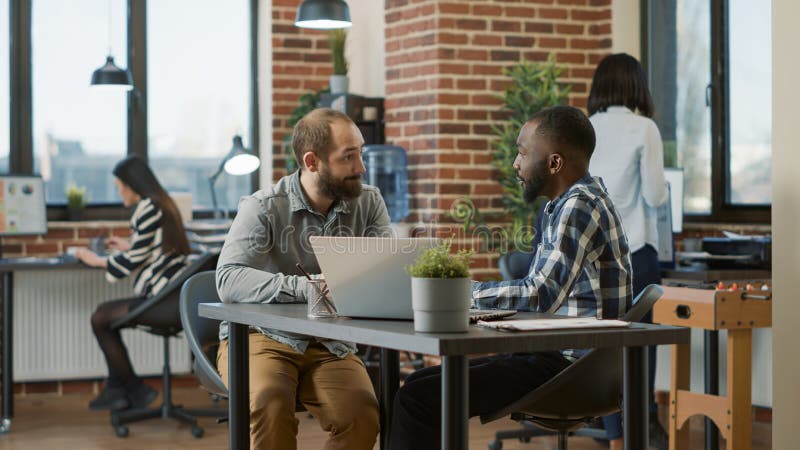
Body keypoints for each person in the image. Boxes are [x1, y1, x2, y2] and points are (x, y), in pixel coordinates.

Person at [388, 106, 633, 450]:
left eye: (522, 152)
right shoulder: (570, 203)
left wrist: (460, 293)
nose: (516, 163)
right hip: (560, 356)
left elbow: (539, 295)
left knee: (419, 396)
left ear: (554, 163)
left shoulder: (579, 206)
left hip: (571, 367)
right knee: (420, 381)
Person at [215, 108, 390, 449]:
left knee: (364, 414)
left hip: (330, 341)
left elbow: (386, 270)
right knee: (270, 401)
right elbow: (229, 279)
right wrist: (313, 288)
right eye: (349, 157)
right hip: (261, 337)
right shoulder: (263, 206)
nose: (362, 168)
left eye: (361, 154)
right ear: (312, 162)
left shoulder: (369, 203)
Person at [587, 52, 669, 450]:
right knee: (639, 346)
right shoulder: (644, 129)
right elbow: (654, 195)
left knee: (604, 347)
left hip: (592, 256)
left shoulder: (583, 128)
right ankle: (643, 427)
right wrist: (668, 190)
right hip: (635, 252)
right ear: (636, 86)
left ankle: (614, 438)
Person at [74, 156, 191, 411]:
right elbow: (158, 249)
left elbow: (133, 261)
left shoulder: (147, 207)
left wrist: (93, 259)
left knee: (100, 318)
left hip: (163, 300)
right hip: (173, 297)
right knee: (103, 317)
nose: (118, 191)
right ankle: (118, 391)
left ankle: (134, 389)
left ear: (131, 184)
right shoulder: (163, 204)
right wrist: (129, 246)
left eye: (119, 185)